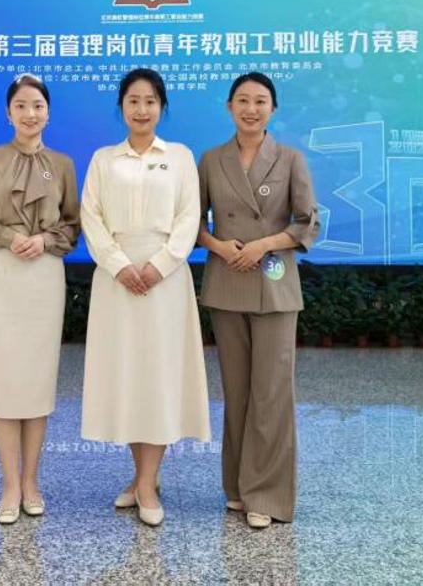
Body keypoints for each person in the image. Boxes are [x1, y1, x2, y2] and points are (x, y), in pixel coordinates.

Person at [80, 67, 211, 527]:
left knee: (158, 377)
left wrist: (159, 265)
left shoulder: (179, 157)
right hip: (115, 279)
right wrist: (119, 265)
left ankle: (148, 484)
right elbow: (91, 217)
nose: (141, 109)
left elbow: (190, 217)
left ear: (162, 107)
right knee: (129, 377)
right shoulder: (103, 159)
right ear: (121, 107)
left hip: (165, 280)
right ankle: (140, 477)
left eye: (150, 101)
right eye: (133, 101)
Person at [196, 72, 320, 529]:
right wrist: (218, 245)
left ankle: (266, 494)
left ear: (273, 109)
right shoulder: (211, 160)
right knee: (238, 391)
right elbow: (192, 222)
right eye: (243, 100)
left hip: (274, 281)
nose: (251, 109)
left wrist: (264, 244)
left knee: (271, 392)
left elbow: (307, 222)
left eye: (261, 101)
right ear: (229, 106)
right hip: (226, 281)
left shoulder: (290, 159)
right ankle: (237, 487)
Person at [0, 74, 80, 525]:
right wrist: (8, 237)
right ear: (8, 113)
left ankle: (32, 481)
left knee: (36, 380)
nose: (30, 114)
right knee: (3, 380)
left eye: (38, 106)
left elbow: (72, 224)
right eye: (21, 106)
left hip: (44, 274)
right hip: (0, 271)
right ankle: (9, 485)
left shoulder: (63, 164)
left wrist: (45, 240)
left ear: (49, 113)